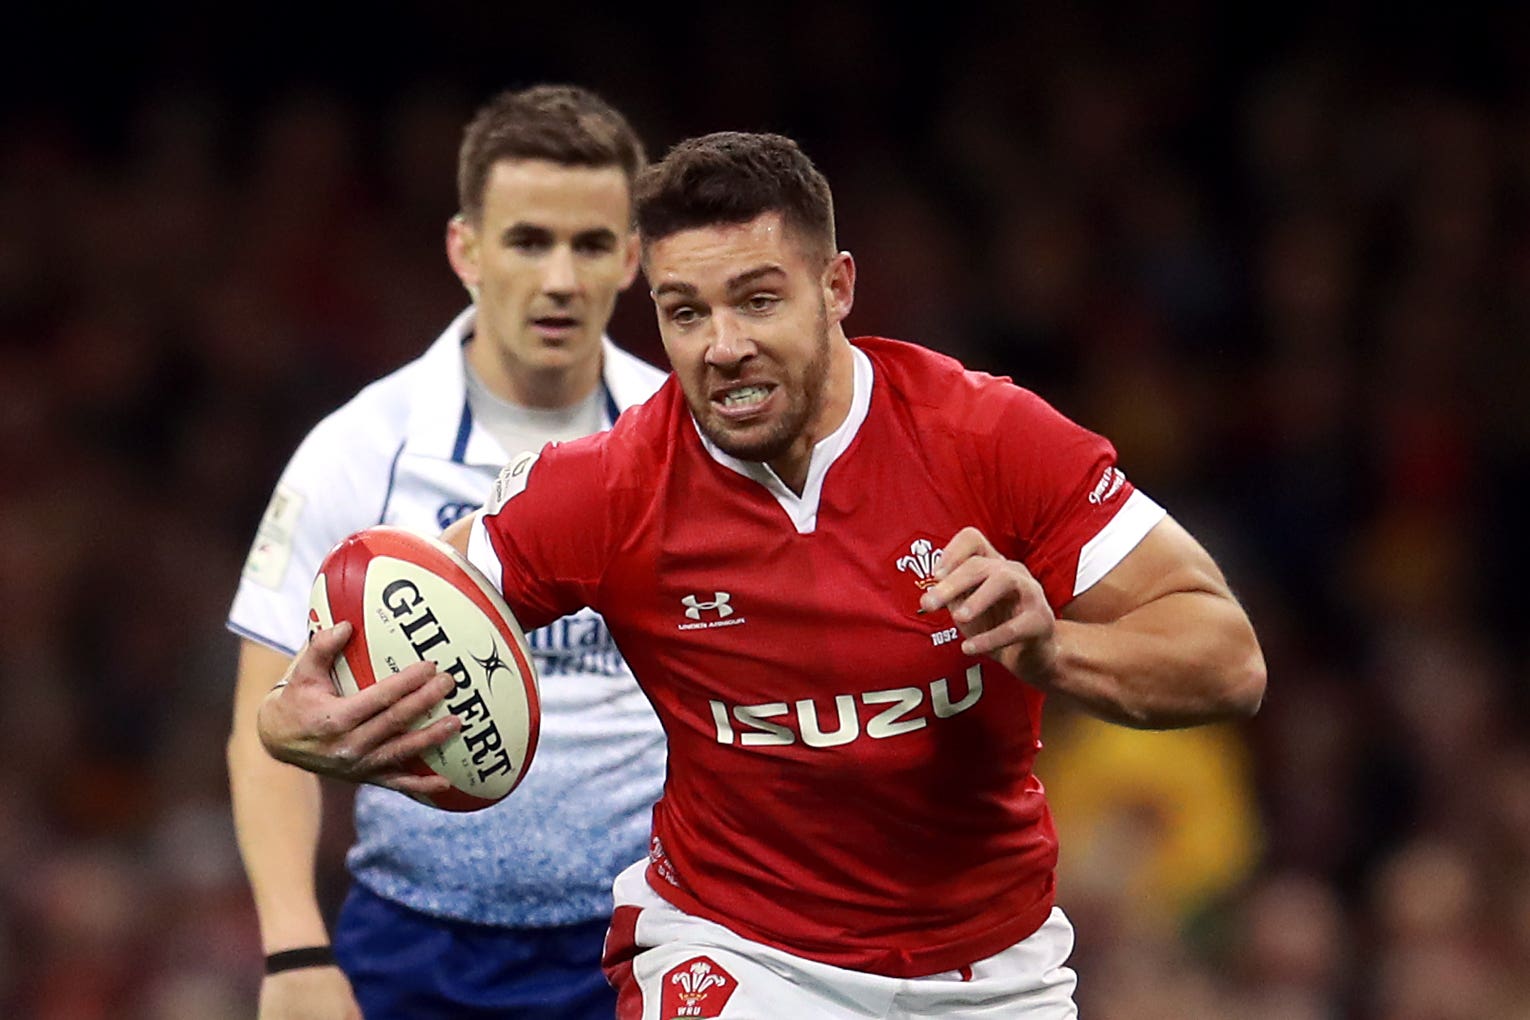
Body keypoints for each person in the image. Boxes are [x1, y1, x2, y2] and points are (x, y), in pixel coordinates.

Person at [258, 131, 1266, 1018]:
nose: (722, 346)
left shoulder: (986, 438)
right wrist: (295, 720)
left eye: (757, 300)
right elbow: (399, 601)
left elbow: (1227, 662)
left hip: (990, 969)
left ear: (837, 289)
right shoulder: (612, 488)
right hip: (740, 955)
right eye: (684, 313)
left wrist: (1056, 648)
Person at [225, 85, 668, 1020]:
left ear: (632, 256)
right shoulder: (358, 448)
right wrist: (294, 949)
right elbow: (266, 722)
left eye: (590, 245)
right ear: (466, 249)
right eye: (527, 240)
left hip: (654, 942)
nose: (560, 279)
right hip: (414, 950)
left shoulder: (686, 442)